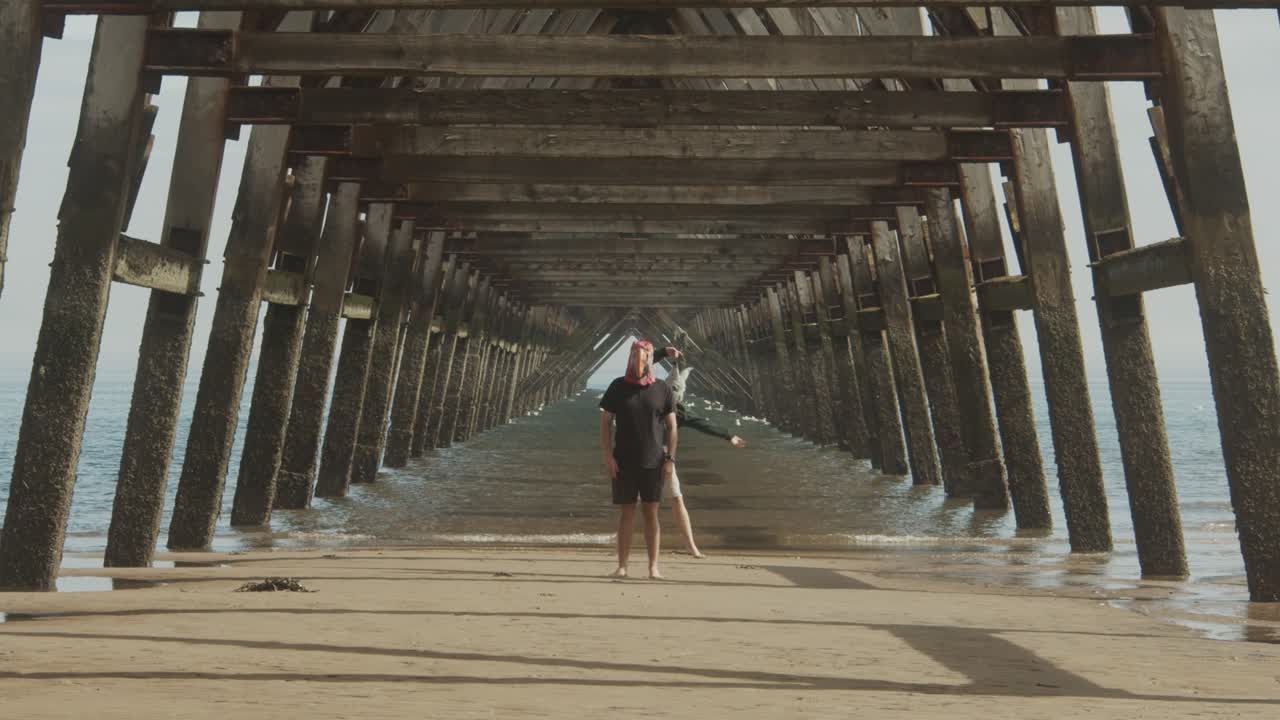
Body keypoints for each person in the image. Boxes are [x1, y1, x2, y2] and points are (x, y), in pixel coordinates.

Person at [657, 348, 747, 559]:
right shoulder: (652, 400)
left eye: (678, 394)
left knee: (677, 499)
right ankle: (624, 546)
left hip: (665, 457)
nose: (676, 397)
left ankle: (691, 547)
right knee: (637, 503)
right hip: (644, 455)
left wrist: (729, 436)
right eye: (673, 392)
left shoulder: (680, 411)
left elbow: (703, 424)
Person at [599, 340, 678, 579]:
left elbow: (672, 427)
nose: (638, 362)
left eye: (643, 357)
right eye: (634, 357)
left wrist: (670, 459)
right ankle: (622, 566)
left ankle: (653, 567)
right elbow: (605, 423)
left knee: (651, 513)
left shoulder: (662, 388)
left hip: (654, 461)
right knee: (627, 513)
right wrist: (608, 456)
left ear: (650, 360)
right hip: (623, 461)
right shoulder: (617, 386)